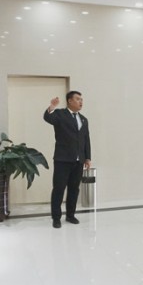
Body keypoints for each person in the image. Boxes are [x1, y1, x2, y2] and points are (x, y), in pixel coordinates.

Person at [43, 91, 91, 228]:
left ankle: (70, 215)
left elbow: (86, 139)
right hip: (62, 159)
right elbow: (48, 118)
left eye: (81, 99)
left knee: (74, 189)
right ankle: (56, 218)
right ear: (70, 101)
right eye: (78, 99)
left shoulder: (83, 119)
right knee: (59, 188)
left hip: (78, 161)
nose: (81, 102)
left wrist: (87, 157)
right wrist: (52, 107)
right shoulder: (60, 114)